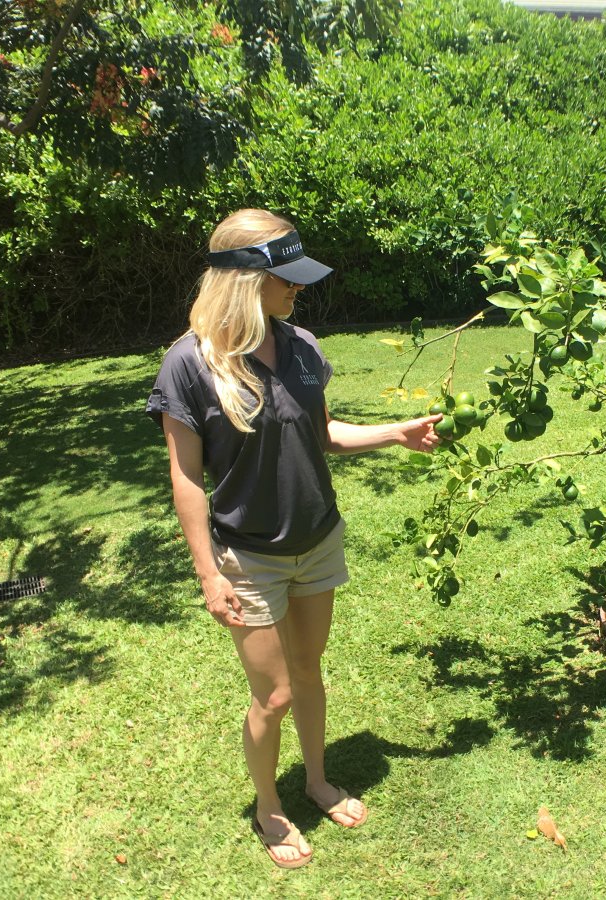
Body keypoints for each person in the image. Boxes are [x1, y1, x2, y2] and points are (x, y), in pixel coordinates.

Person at [146, 209, 441, 869]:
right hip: (248, 556)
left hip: (317, 540)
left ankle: (315, 781)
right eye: (287, 278)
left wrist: (398, 431)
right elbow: (187, 481)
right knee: (273, 694)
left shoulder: (302, 346)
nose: (298, 289)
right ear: (243, 280)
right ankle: (267, 807)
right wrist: (207, 574)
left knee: (309, 673)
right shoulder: (189, 365)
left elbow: (325, 434)